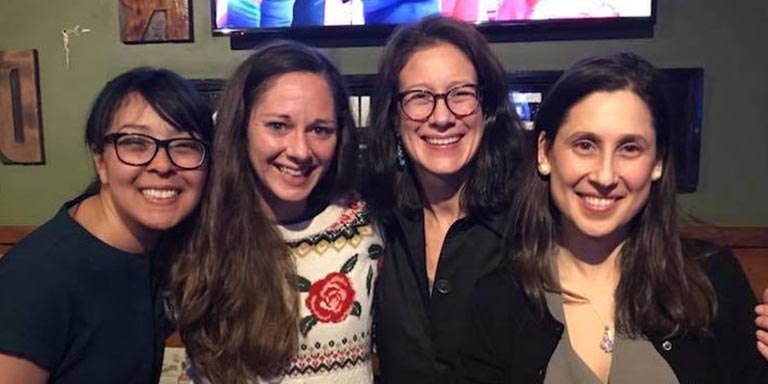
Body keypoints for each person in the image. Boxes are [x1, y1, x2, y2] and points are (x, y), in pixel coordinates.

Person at [461, 52, 768, 383]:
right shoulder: (497, 300)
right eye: (585, 145)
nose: (605, 176)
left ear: (658, 162)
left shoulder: (712, 280)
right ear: (544, 153)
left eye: (630, 148)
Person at [165, 40, 384, 384]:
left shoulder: (366, 225)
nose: (300, 150)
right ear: (241, 127)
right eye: (278, 126)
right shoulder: (196, 229)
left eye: (319, 130)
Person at [0, 67, 213, 383]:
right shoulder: (36, 279)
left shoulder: (164, 251)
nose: (162, 165)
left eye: (184, 145)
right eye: (136, 143)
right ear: (100, 160)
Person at [364, 15, 524, 383]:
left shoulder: (533, 217)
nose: (441, 117)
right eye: (420, 97)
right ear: (394, 116)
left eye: (461, 94)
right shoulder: (375, 217)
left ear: (488, 107)